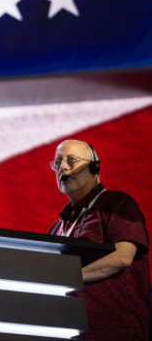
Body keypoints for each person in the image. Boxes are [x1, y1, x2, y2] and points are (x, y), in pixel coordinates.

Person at [48, 139, 150, 340]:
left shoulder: (116, 203)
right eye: (58, 162)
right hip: (68, 333)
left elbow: (122, 257)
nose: (63, 167)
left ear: (93, 167)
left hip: (115, 333)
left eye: (72, 160)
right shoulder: (56, 227)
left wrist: (70, 277)